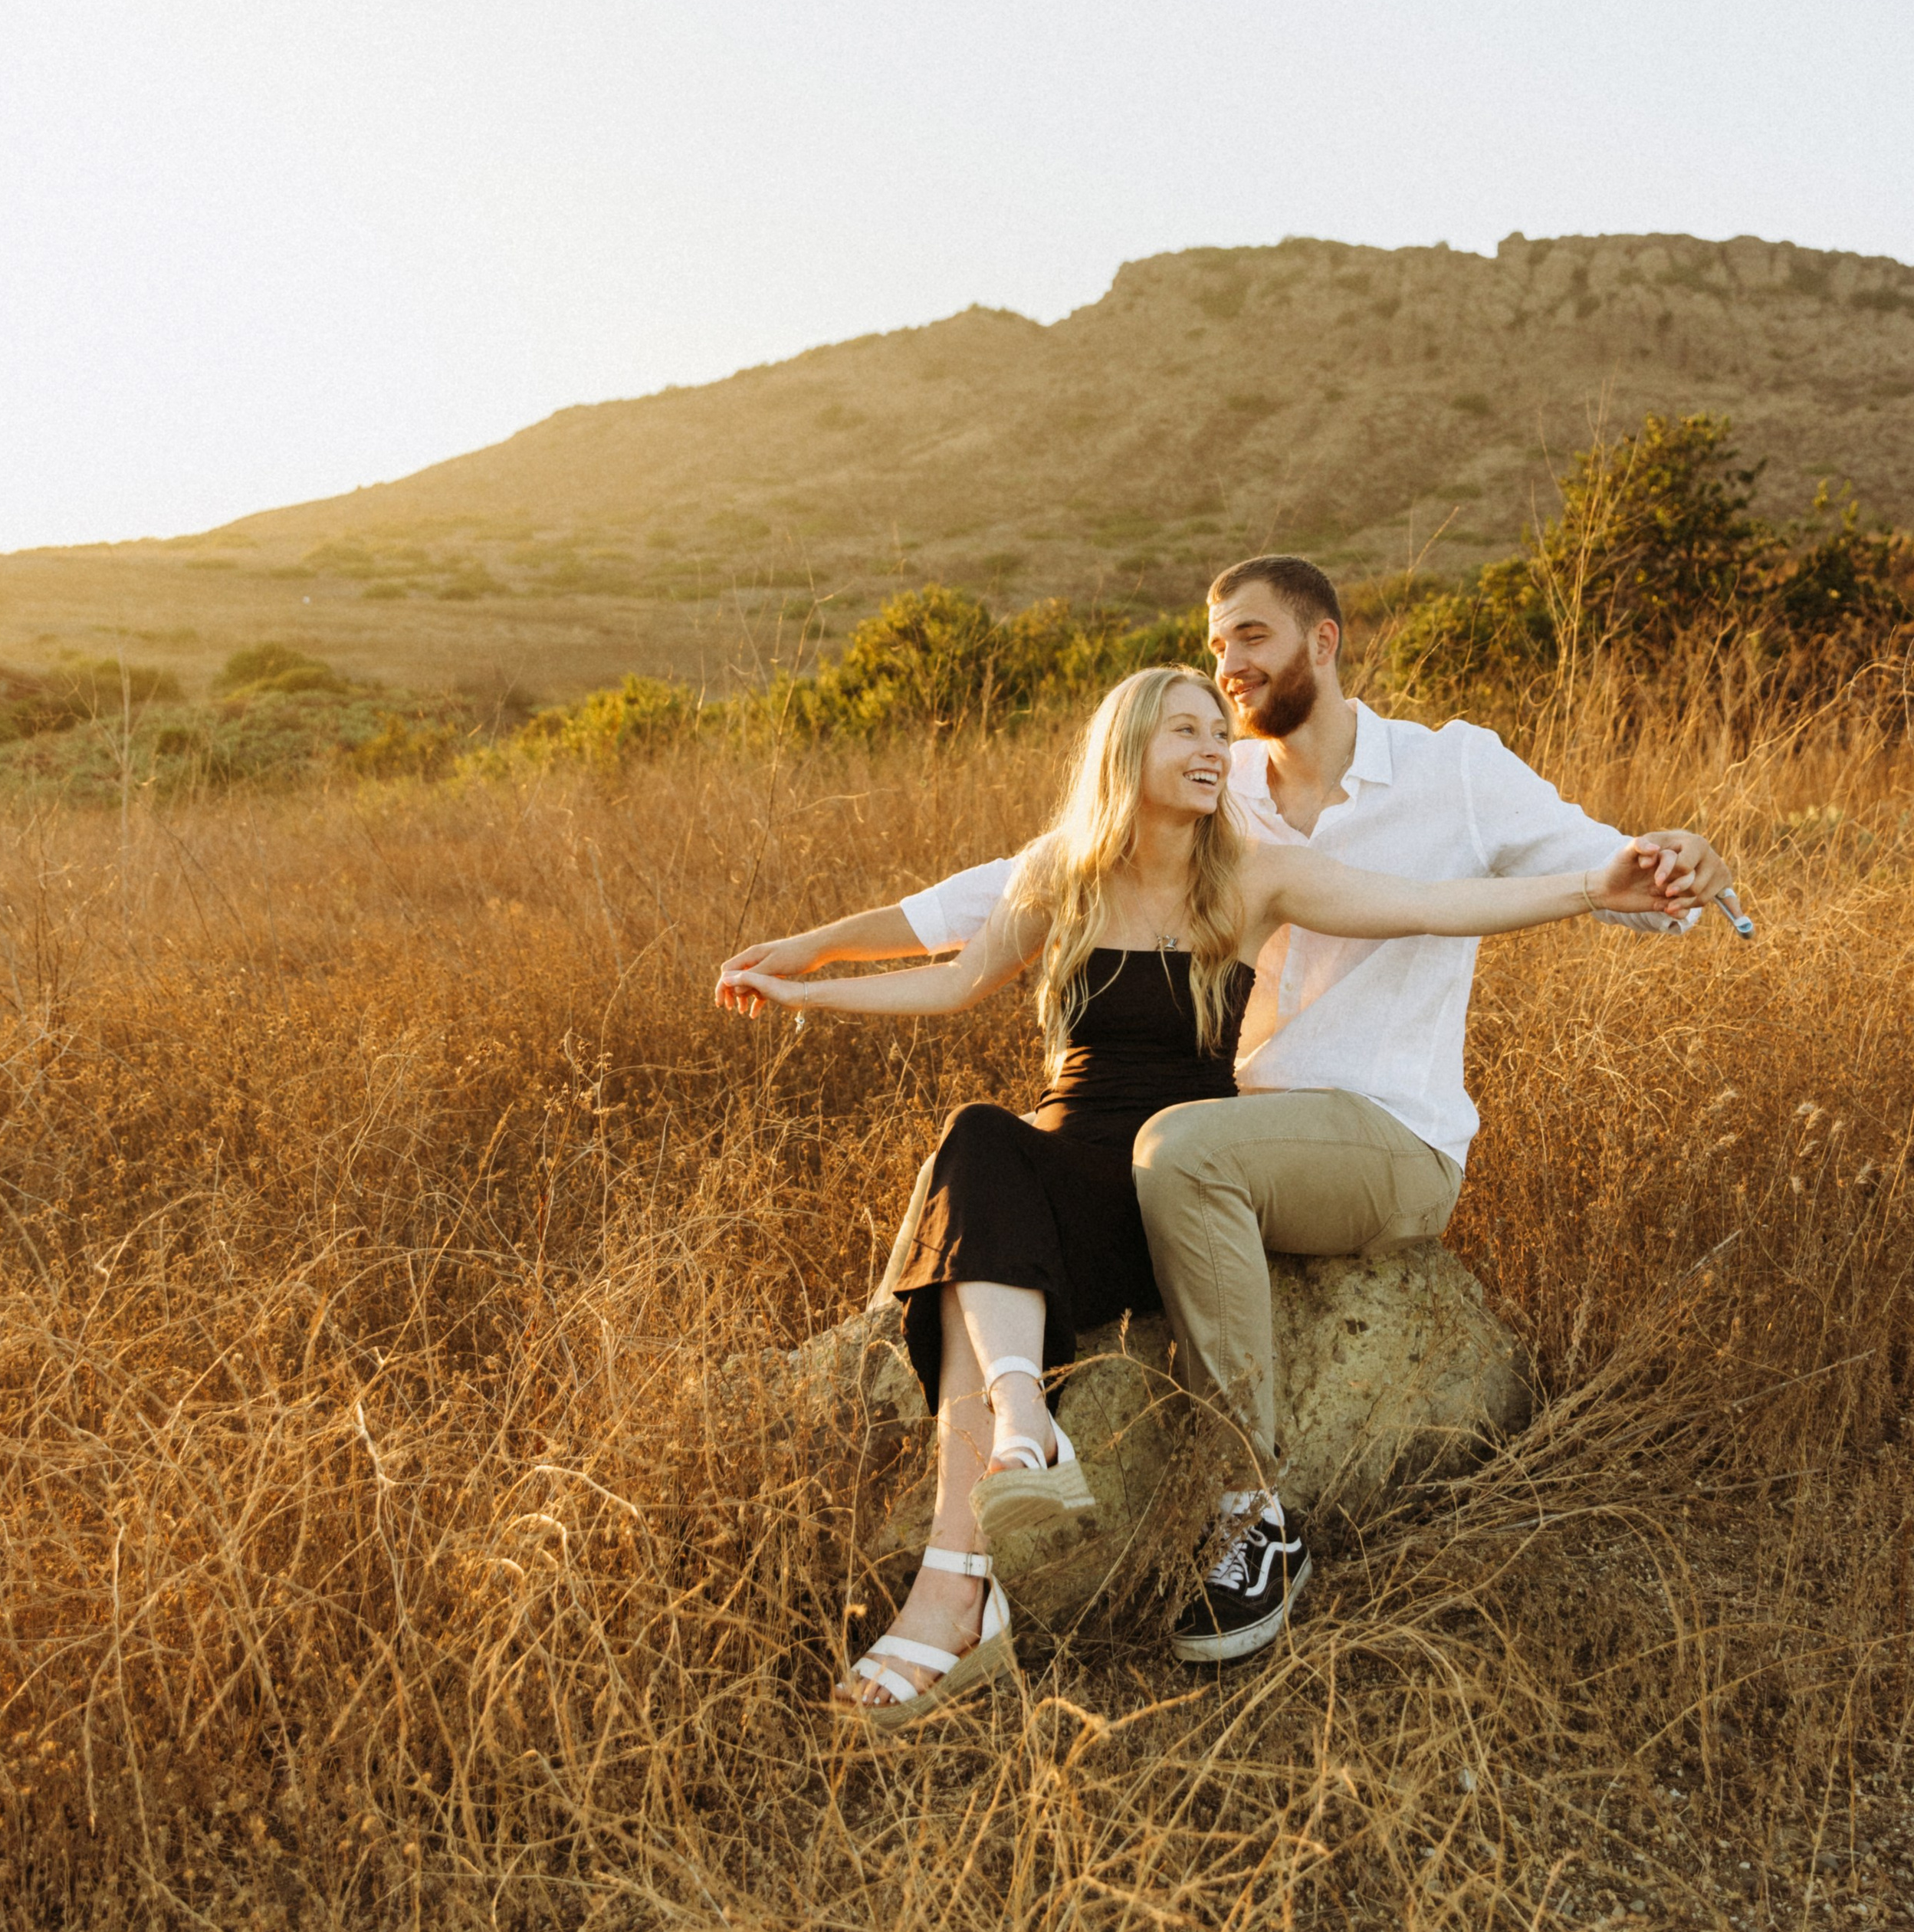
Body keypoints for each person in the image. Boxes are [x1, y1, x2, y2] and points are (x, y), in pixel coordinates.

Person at [721, 554, 1735, 1670]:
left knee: (1178, 1146)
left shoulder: (1426, 784)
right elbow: (979, 916)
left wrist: (1631, 877)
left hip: (1365, 1134)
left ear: (1323, 640)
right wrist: (811, 961)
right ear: (1136, 753)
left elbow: (1453, 903)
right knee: (978, 1144)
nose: (1226, 681)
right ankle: (978, 1540)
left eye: (1247, 642)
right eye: (1208, 663)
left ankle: (1251, 1513)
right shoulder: (1204, 807)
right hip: (1204, 1148)